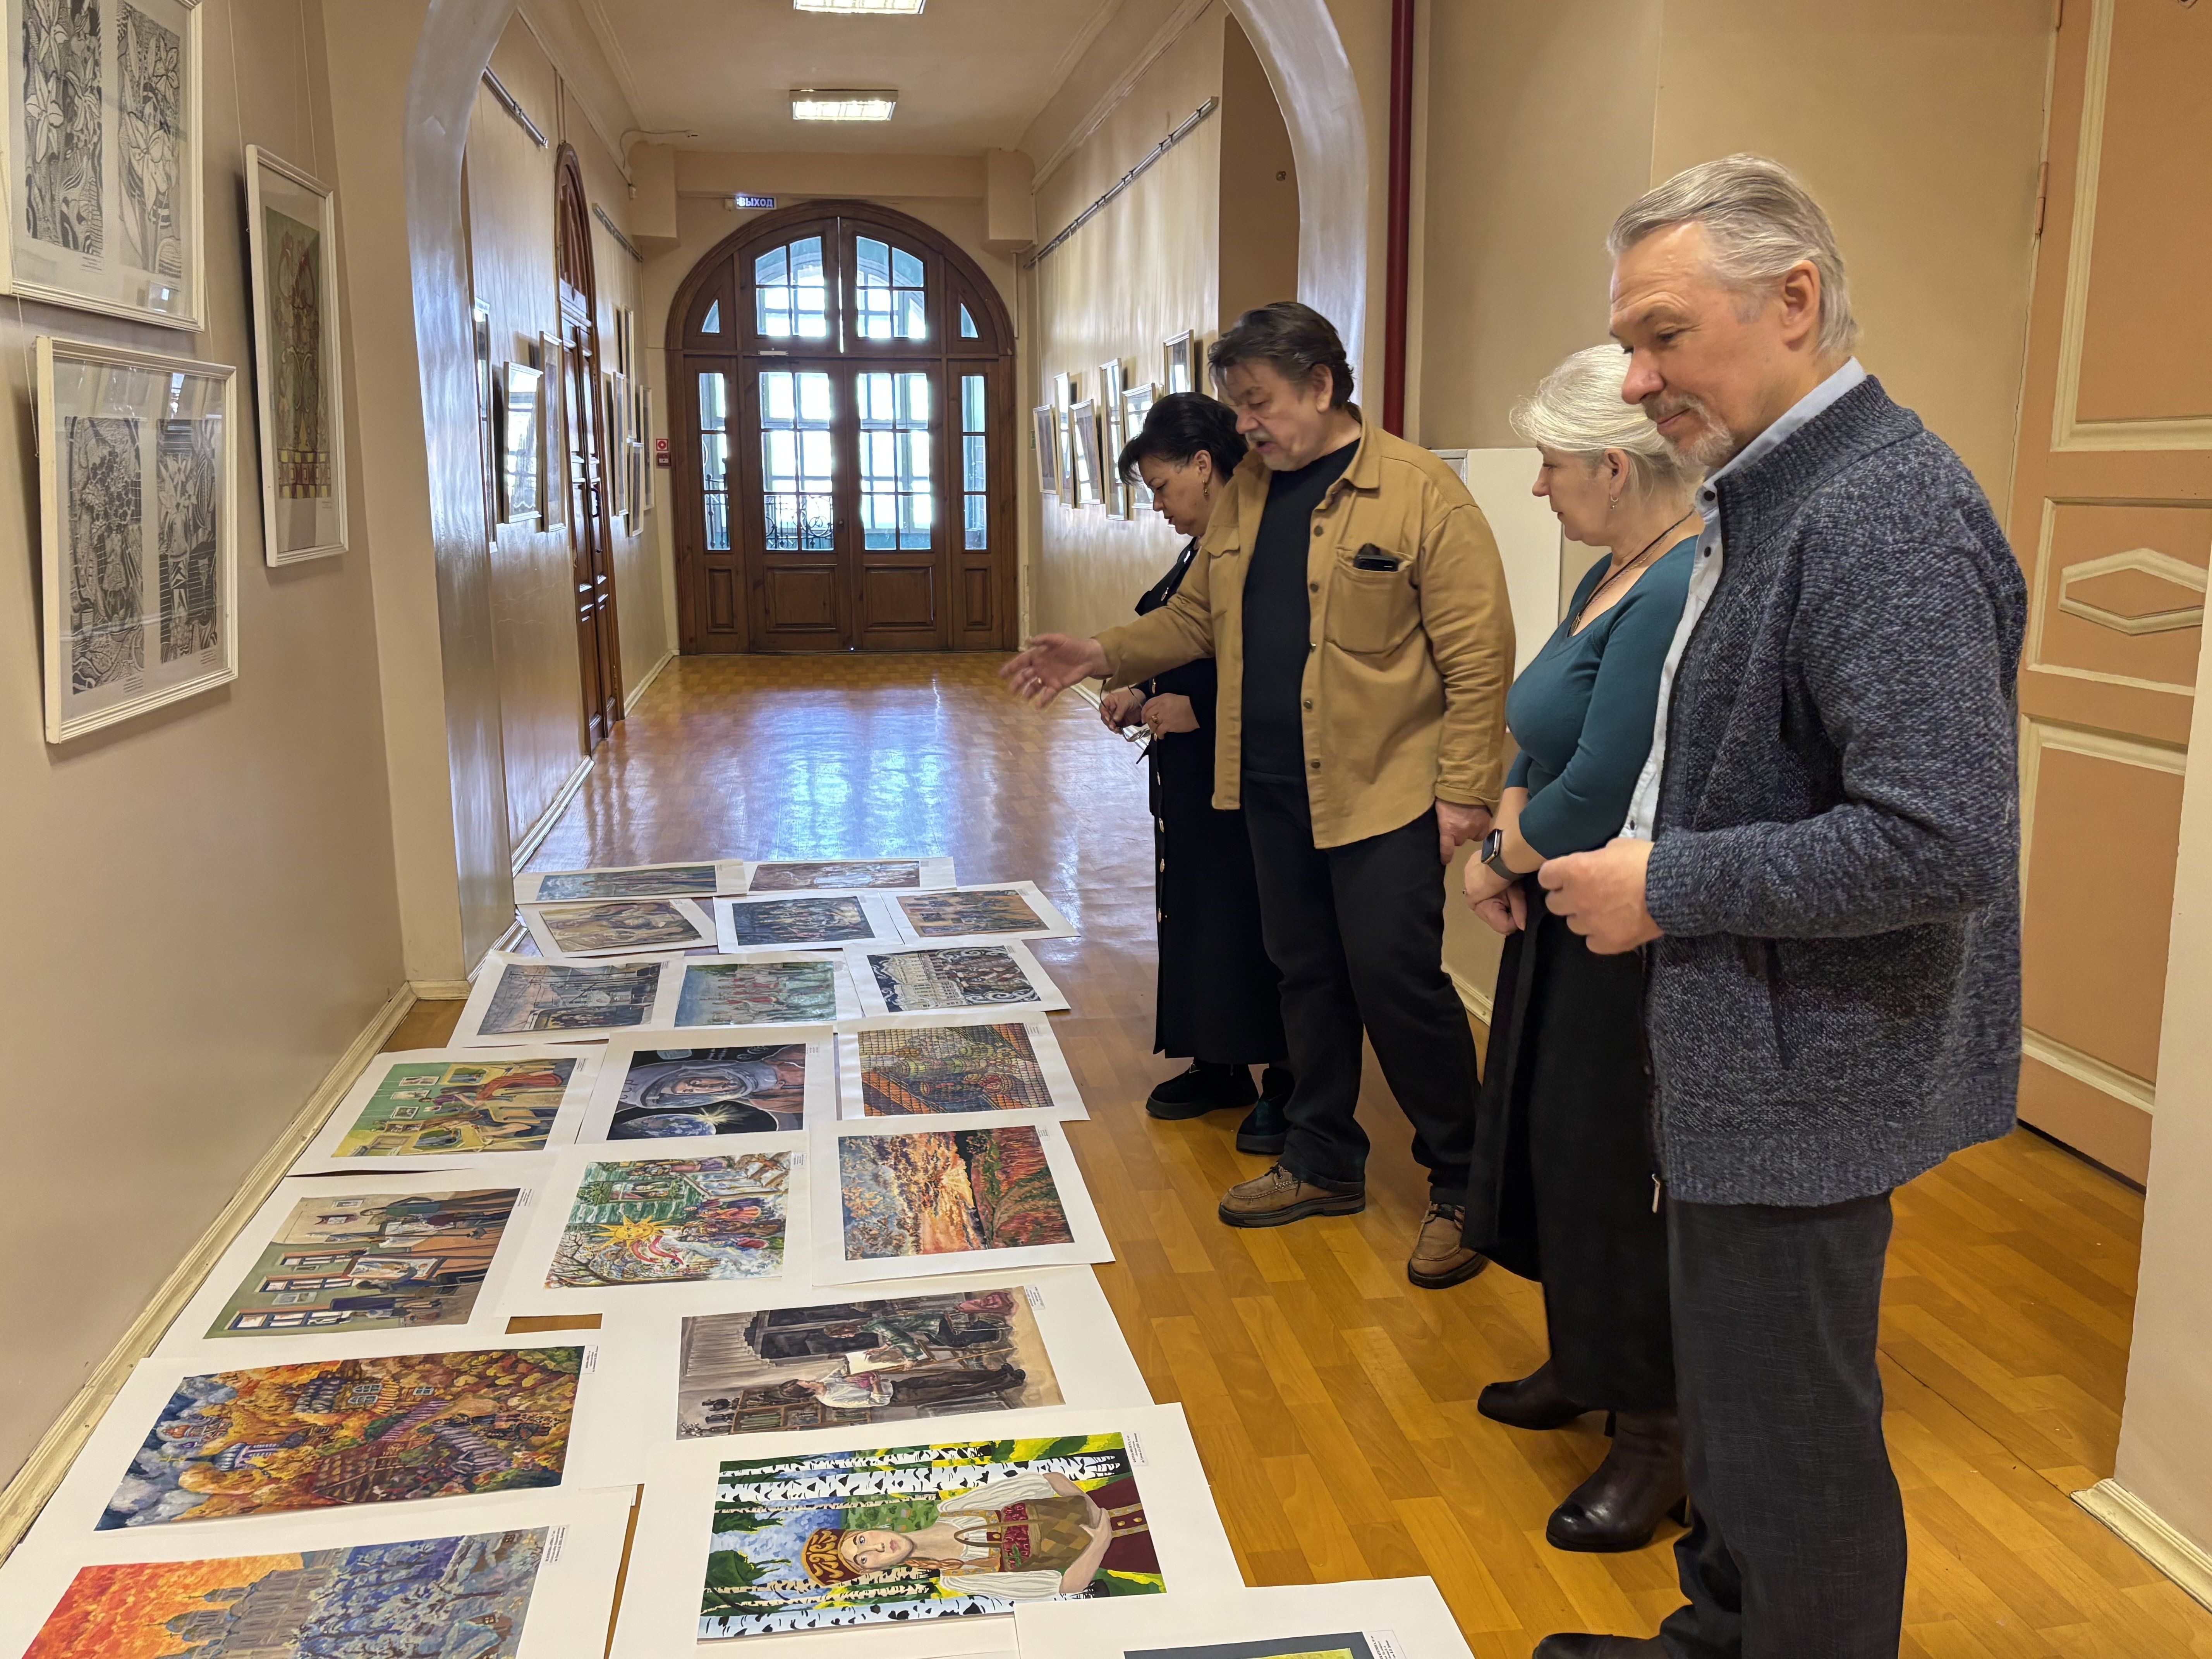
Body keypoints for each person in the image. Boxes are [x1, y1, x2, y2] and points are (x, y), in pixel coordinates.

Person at [1531, 156, 2026, 1657]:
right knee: (1741, 1421)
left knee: (1793, 1444)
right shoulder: (1781, 490)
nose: (1637, 379)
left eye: (1664, 336)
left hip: (1808, 1069)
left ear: (1794, 301)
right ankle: (1718, 1639)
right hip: (1751, 1050)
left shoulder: (1880, 512)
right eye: (1630, 342)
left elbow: (1940, 841)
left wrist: (1667, 882)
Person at [1003, 302, 1514, 1285]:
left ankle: (1467, 1184)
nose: (1245, 424)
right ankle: (1322, 1159)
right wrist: (1100, 653)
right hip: (1273, 788)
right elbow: (1196, 619)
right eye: (1237, 405)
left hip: (1383, 792)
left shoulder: (1421, 495)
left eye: (1258, 402)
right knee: (1305, 978)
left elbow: (1479, 657)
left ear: (1321, 386)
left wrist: (1465, 795)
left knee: (1396, 983)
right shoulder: (1249, 495)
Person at [1462, 346, 1699, 1552]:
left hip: (1622, 920)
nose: (1538, 486)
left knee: (1612, 1169)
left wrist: (1491, 858)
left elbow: (1604, 778)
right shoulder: (1617, 567)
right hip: (1558, 899)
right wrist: (1509, 818)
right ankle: (1583, 1358)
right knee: (1552, 1141)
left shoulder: (1677, 581)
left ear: (1614, 465)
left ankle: (1655, 1434)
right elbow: (1541, 720)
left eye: (1551, 465)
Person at [1098, 391, 1293, 1152]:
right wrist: (1140, 690)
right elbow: (1184, 636)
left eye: (1162, 486)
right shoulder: (1204, 548)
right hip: (1193, 781)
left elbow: (1279, 662)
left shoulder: (1271, 543)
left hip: (1254, 775)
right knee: (1203, 916)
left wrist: (1198, 707)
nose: (1159, 505)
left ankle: (1289, 1083)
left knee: (1260, 924)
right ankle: (1218, 1059)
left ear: (1205, 465)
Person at [802, 1469, 1154, 1598]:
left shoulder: (955, 1508)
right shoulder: (962, 1578)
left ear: (866, 1529)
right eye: (864, 1559)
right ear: (873, 1571)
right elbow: (1066, 1586)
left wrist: (1092, 1509)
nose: (877, 1549)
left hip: (1119, 1499)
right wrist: (1101, 1542)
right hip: (1130, 1551)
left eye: (862, 1541)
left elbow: (1049, 1480)